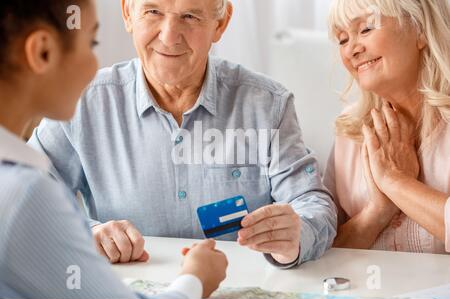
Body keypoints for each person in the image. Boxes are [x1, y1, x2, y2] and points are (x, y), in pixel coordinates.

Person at [28, 0, 337, 268]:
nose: (169, 36)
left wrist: (297, 235)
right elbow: (26, 193)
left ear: (221, 23)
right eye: (152, 11)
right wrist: (85, 231)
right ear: (127, 14)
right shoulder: (82, 101)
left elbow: (312, 202)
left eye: (190, 16)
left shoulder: (268, 104)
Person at [0, 0, 227, 299]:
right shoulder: (25, 194)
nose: (97, 65)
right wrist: (196, 278)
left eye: (189, 17)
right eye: (91, 43)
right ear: (43, 52)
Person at [325, 0, 450, 253]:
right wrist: (378, 211)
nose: (352, 50)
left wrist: (394, 182)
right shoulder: (350, 130)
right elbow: (322, 249)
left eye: (366, 29)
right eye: (342, 39)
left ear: (420, 30)